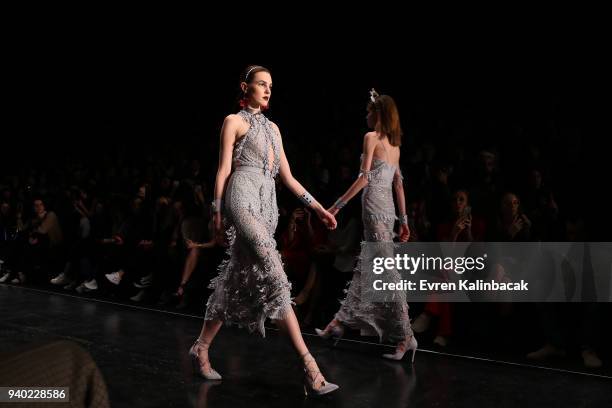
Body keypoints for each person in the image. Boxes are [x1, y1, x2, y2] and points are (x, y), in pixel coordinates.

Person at [189, 65, 339, 396]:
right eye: (261, 84)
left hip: (268, 209)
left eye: (270, 85)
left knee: (232, 279)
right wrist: (216, 211)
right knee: (275, 277)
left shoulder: (275, 129)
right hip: (241, 202)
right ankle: (310, 368)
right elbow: (223, 169)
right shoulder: (234, 121)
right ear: (246, 87)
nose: (268, 89)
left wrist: (319, 208)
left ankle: (201, 347)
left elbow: (288, 178)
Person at [316, 89, 416, 362]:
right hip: (387, 211)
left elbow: (364, 179)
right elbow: (398, 185)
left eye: (369, 110)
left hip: (374, 208)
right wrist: (404, 221)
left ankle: (406, 336)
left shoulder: (371, 138)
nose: (366, 114)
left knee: (385, 271)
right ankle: (337, 323)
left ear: (379, 114)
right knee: (367, 267)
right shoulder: (395, 146)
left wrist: (337, 204)